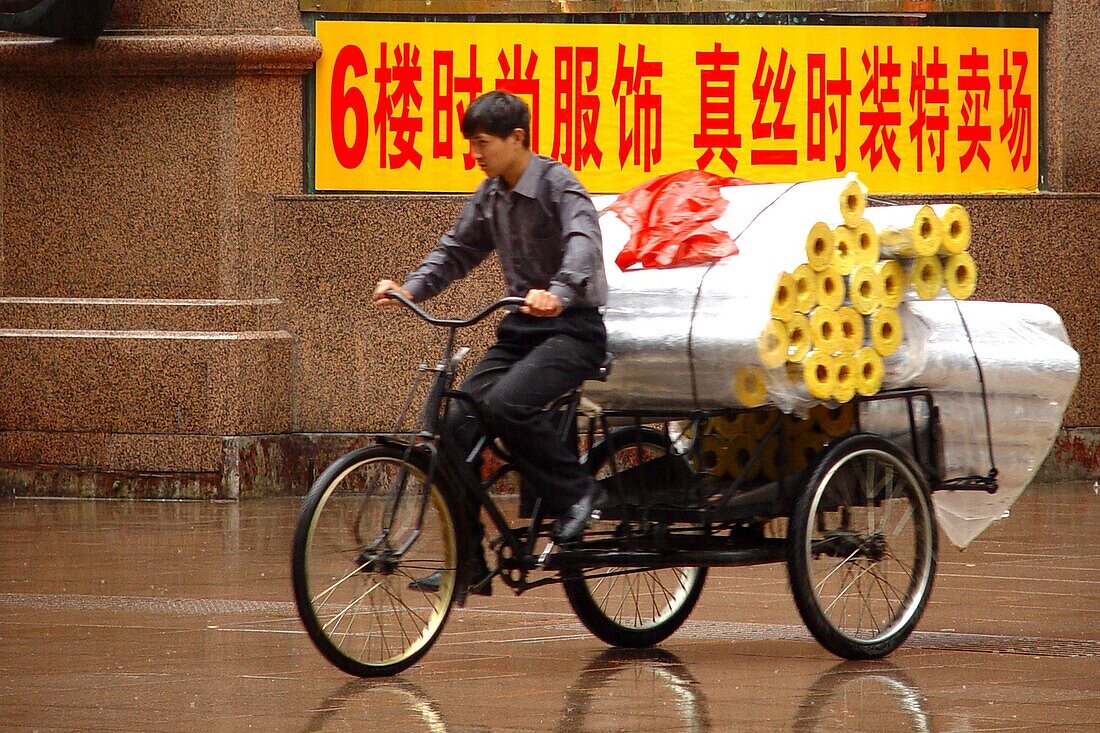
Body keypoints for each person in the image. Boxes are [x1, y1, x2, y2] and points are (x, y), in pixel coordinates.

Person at [373, 90, 609, 596]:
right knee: (454, 423)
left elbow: (584, 243)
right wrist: (409, 287)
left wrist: (560, 292)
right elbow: (456, 249)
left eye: (482, 143)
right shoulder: (491, 194)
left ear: (516, 138)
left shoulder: (558, 184)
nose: (475, 154)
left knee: (506, 404)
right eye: (472, 144)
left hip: (572, 329)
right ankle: (469, 560)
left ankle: (576, 494)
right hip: (521, 329)